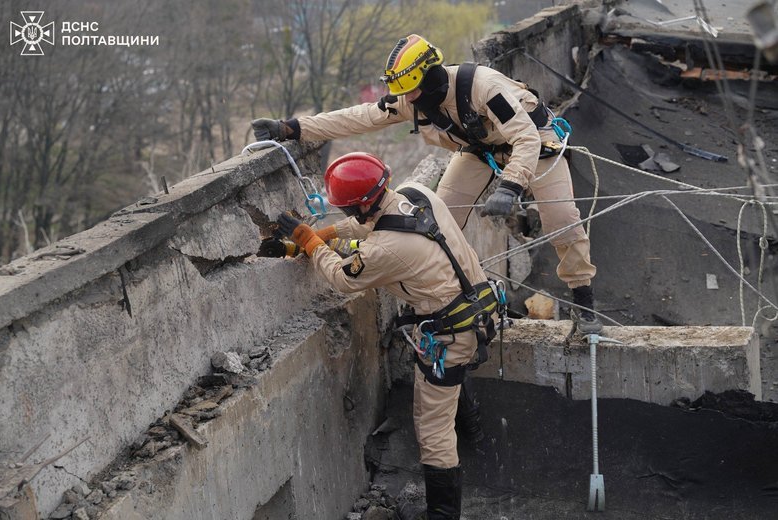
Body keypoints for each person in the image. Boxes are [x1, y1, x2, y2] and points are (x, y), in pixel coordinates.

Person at [251, 34, 602, 334]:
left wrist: (511, 185)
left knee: (561, 220)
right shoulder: (410, 100)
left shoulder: (485, 88)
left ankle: (583, 299)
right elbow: (358, 118)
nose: (409, 99)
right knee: (436, 217)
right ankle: (457, 297)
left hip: (536, 142)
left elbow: (525, 139)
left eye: (413, 90)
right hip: (480, 149)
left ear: (430, 76)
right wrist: (292, 128)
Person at [276, 151, 500, 519]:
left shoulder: (386, 249)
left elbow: (344, 276)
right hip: (477, 311)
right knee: (451, 378)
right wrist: (329, 232)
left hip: (452, 335)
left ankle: (444, 514)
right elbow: (380, 222)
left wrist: (310, 242)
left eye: (348, 211)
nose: (349, 217)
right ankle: (473, 428)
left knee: (432, 429)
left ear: (360, 206)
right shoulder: (415, 193)